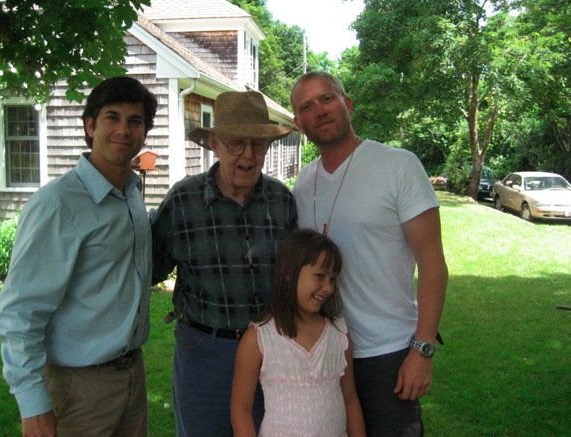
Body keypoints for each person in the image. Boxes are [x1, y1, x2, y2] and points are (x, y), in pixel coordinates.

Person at [0, 76, 158, 437]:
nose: (123, 130)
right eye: (112, 117)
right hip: (79, 387)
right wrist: (32, 402)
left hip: (132, 373)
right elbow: (19, 311)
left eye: (135, 121)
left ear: (145, 132)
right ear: (90, 125)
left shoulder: (130, 192)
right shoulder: (58, 204)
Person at [290, 71, 448, 436]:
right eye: (306, 107)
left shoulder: (398, 166)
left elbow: (433, 265)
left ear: (348, 104)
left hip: (388, 353)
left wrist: (422, 350)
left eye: (327, 99)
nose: (320, 111)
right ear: (299, 123)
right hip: (325, 353)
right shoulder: (304, 181)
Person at [151, 90, 298, 436]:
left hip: (269, 352)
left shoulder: (281, 201)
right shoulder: (184, 200)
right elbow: (149, 269)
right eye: (236, 143)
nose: (248, 155)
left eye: (258, 144)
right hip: (204, 351)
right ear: (214, 143)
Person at [231, 229, 366, 437]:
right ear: (288, 272)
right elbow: (241, 409)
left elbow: (350, 400)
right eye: (320, 276)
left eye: (332, 279)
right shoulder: (258, 339)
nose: (328, 288)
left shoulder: (339, 334)